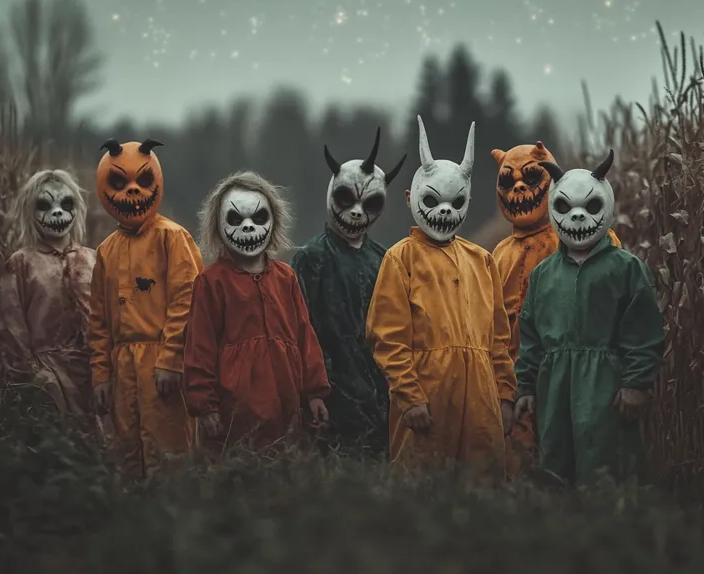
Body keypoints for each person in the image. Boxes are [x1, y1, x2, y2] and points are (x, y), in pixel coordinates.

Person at [366, 116, 515, 480]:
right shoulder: (400, 259)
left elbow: (498, 339)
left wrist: (506, 395)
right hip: (426, 403)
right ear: (409, 198)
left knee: (482, 491)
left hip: (482, 404)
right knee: (422, 491)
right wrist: (410, 395)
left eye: (455, 201)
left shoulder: (482, 261)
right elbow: (388, 338)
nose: (445, 211)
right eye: (433, 200)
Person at [514, 150, 663, 485]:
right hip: (554, 389)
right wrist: (526, 386)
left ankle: (607, 530)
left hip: (606, 387)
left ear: (605, 205)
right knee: (555, 467)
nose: (578, 218)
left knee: (606, 467)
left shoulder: (625, 268)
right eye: (567, 208)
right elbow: (531, 337)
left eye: (590, 207)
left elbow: (644, 330)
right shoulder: (543, 275)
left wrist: (636, 383)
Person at [490, 142, 621, 477]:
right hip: (519, 378)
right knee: (522, 467)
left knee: (576, 458)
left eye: (531, 178)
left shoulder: (586, 243)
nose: (519, 188)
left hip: (579, 373)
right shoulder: (497, 256)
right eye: (508, 182)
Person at [183, 171, 331, 455]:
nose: (248, 228)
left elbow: (305, 337)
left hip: (284, 407)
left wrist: (315, 393)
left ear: (273, 221)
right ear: (218, 224)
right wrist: (204, 405)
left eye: (258, 218)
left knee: (283, 479)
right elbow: (199, 347)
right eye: (237, 220)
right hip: (233, 412)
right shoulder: (211, 282)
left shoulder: (285, 278)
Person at [87, 138, 202, 479]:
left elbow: (186, 301)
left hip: (160, 364)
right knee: (128, 455)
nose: (135, 192)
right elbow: (98, 320)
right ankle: (134, 524)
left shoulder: (173, 238)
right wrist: (100, 375)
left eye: (143, 181)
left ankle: (173, 523)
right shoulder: (106, 250)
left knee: (167, 455)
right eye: (121, 183)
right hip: (122, 367)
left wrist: (171, 359)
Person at [291, 128, 405, 456]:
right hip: (330, 393)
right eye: (347, 199)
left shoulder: (385, 260)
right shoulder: (311, 258)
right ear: (332, 195)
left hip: (378, 394)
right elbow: (301, 329)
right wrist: (312, 391)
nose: (356, 212)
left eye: (368, 204)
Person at [0, 169, 108, 436]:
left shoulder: (94, 259)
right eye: (45, 205)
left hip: (94, 377)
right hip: (49, 379)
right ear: (29, 210)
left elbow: (111, 319)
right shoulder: (21, 263)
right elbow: (12, 329)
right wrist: (34, 376)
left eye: (65, 204)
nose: (57, 213)